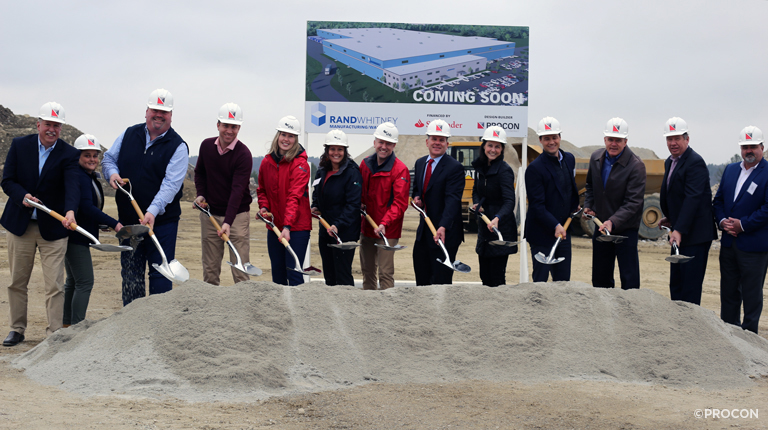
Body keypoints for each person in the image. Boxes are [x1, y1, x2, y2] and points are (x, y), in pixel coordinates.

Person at [1, 102, 80, 346]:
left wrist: (70, 211)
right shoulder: (19, 146)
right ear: (38, 125)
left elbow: (72, 188)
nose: (52, 129)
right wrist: (21, 196)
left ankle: (54, 333)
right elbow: (7, 181)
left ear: (61, 128)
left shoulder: (68, 154)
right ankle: (17, 329)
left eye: (57, 125)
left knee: (55, 285)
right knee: (17, 282)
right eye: (48, 124)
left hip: (54, 230)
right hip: (20, 226)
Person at [102, 89, 189, 306]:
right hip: (130, 222)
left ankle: (159, 325)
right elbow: (108, 159)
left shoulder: (178, 146)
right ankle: (132, 325)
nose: (159, 115)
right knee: (131, 275)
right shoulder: (129, 134)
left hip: (162, 223)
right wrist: (112, 174)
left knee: (160, 273)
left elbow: (170, 185)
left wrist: (152, 211)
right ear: (146, 111)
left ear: (171, 115)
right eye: (155, 110)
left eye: (164, 112)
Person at [712, 126, 768, 334]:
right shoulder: (731, 170)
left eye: (753, 146)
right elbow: (718, 202)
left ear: (762, 147)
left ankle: (750, 337)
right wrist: (723, 221)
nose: (749, 151)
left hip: (754, 246)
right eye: (745, 147)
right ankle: (730, 335)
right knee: (728, 292)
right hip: (729, 244)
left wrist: (742, 225)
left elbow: (767, 209)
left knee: (752, 295)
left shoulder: (767, 173)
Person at [64, 135, 123, 326]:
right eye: (87, 155)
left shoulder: (87, 176)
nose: (92, 159)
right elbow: (87, 207)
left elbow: (88, 210)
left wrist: (101, 224)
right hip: (76, 237)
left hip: (81, 234)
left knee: (73, 281)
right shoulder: (78, 176)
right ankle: (76, 326)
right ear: (78, 156)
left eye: (95, 155)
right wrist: (115, 224)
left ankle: (66, 324)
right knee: (85, 282)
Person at [659, 117, 717, 305]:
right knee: (676, 285)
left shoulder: (695, 162)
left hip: (696, 236)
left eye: (677, 138)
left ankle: (691, 330)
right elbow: (676, 196)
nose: (673, 143)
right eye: (669, 139)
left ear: (687, 139)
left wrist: (679, 229)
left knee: (689, 289)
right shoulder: (671, 161)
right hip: (681, 231)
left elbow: (693, 199)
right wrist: (670, 218)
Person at [194, 103, 253, 286]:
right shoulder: (206, 146)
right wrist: (201, 194)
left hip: (237, 216)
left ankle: (244, 308)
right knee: (210, 269)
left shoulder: (243, 155)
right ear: (218, 125)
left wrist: (227, 221)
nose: (229, 130)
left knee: (240, 268)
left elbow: (237, 191)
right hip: (210, 214)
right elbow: (200, 172)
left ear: (239, 128)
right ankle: (212, 309)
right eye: (225, 125)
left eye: (233, 127)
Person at [583, 118, 645, 290]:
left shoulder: (636, 166)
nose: (614, 144)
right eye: (610, 139)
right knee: (600, 280)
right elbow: (590, 185)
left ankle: (630, 314)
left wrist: (613, 221)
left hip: (625, 231)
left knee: (629, 280)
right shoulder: (596, 158)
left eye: (618, 140)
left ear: (626, 141)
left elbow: (633, 202)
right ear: (604, 140)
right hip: (602, 228)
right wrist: (589, 205)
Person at [257, 115, 312, 286]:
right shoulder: (267, 162)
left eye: (291, 136)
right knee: (278, 275)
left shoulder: (301, 165)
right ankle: (281, 312)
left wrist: (287, 226)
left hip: (296, 228)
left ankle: (298, 311)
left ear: (296, 139)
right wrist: (264, 207)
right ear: (278, 135)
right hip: (274, 227)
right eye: (283, 134)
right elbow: (262, 190)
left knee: (294, 273)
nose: (286, 139)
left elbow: (294, 197)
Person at [525, 117, 580, 282]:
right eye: (547, 138)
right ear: (540, 140)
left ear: (560, 137)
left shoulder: (569, 159)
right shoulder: (535, 169)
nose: (551, 142)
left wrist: (574, 206)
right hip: (541, 233)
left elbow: (568, 189)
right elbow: (537, 205)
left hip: (563, 231)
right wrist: (555, 225)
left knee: (563, 282)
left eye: (554, 137)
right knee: (541, 281)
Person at [411, 119, 465, 286]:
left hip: (445, 233)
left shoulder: (454, 167)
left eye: (441, 140)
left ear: (447, 144)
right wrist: (417, 198)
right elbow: (417, 189)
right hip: (424, 232)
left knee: (440, 282)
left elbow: (453, 200)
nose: (437, 143)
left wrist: (443, 226)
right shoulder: (420, 163)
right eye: (434, 139)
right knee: (422, 277)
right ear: (427, 142)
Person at [359, 122, 410, 290]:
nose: (383, 147)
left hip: (388, 230)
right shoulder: (365, 165)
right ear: (374, 142)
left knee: (385, 272)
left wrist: (384, 223)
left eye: (388, 143)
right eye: (381, 142)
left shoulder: (400, 170)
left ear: (394, 145)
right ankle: (369, 305)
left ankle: (387, 308)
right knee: (367, 270)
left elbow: (400, 203)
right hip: (367, 227)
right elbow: (358, 194)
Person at [310, 130, 362, 286]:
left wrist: (338, 225)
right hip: (326, 230)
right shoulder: (321, 170)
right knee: (330, 274)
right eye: (332, 149)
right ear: (327, 150)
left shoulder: (352, 173)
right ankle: (332, 309)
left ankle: (347, 308)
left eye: (340, 149)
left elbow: (353, 205)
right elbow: (317, 193)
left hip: (344, 233)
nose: (336, 153)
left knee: (342, 275)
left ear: (345, 151)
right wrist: (315, 206)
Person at [471, 126, 517, 287]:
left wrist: (497, 218)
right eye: (490, 145)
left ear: (502, 149)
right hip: (485, 227)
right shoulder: (480, 168)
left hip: (500, 229)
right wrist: (478, 204)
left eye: (497, 146)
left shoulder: (504, 171)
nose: (493, 150)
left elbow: (510, 201)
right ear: (484, 146)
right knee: (484, 275)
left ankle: (499, 308)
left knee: (496, 277)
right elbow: (476, 191)